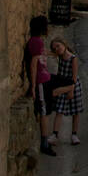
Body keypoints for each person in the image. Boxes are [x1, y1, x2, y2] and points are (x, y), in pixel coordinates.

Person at [23, 14, 56, 157]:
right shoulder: (35, 42)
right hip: (41, 81)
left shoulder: (38, 42)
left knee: (45, 111)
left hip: (44, 79)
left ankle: (46, 139)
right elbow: (33, 64)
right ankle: (44, 142)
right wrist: (33, 85)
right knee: (43, 112)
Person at [48, 37, 84, 145]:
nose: (57, 49)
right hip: (62, 85)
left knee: (75, 112)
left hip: (72, 86)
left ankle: (74, 134)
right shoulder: (60, 57)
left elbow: (74, 77)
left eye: (58, 46)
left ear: (64, 44)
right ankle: (55, 134)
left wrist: (71, 91)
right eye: (55, 48)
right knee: (59, 110)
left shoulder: (73, 59)